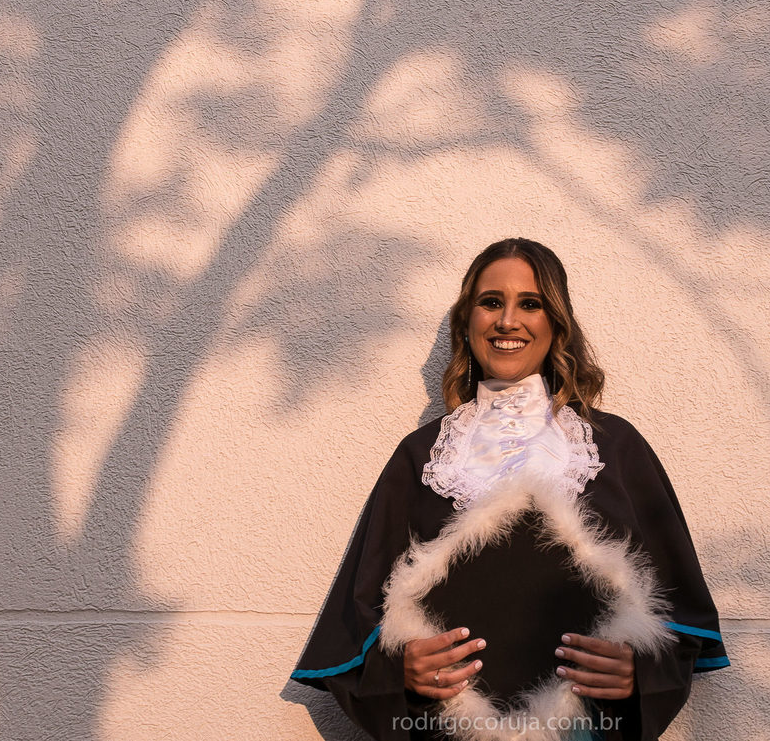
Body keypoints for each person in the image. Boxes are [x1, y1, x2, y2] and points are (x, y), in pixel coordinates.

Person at [291, 239, 727, 741]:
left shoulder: (617, 447)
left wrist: (639, 672)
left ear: (557, 322)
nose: (507, 321)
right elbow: (353, 632)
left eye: (531, 303)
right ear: (467, 320)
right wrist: (399, 671)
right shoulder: (421, 456)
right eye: (491, 301)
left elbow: (682, 621)